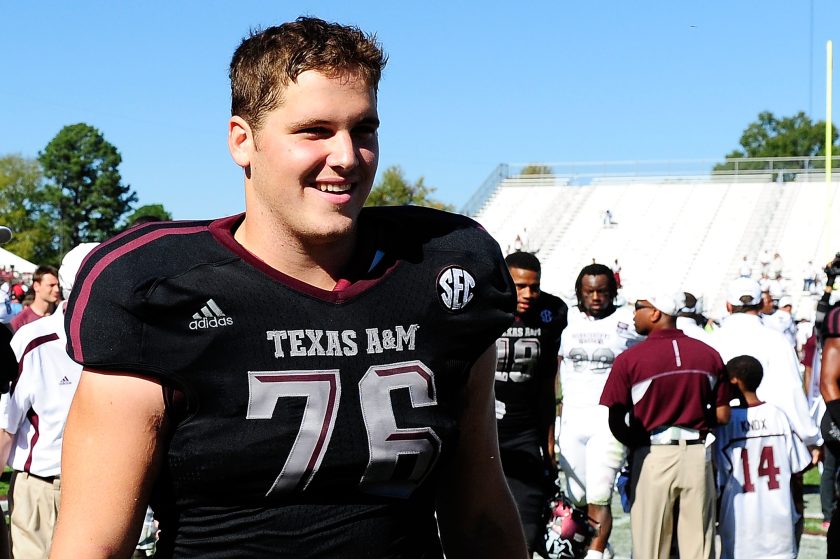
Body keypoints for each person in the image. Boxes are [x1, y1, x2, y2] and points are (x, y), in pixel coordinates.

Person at [51, 17, 527, 559]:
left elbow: (482, 513)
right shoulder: (158, 290)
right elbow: (91, 545)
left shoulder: (444, 268)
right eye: (315, 131)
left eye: (363, 129)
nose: (347, 156)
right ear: (242, 140)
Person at [600, 290, 731, 559]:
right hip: (697, 454)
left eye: (639, 307)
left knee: (651, 547)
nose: (634, 314)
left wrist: (636, 444)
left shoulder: (630, 358)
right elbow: (722, 415)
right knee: (699, 549)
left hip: (654, 454)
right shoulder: (708, 354)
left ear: (656, 312)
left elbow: (615, 418)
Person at [0, 244, 97, 559]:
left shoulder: (120, 340)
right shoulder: (33, 341)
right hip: (40, 487)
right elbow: (6, 426)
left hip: (96, 488)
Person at [557, 263, 642, 559]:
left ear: (613, 292)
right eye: (589, 291)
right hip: (572, 417)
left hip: (608, 419)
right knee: (576, 495)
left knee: (599, 493)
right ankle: (594, 549)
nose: (595, 297)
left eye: (602, 291)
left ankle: (595, 554)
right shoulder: (565, 318)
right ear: (579, 292)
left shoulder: (628, 322)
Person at [494, 251, 567, 554]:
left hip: (524, 431)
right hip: (481, 430)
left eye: (533, 287)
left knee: (527, 526)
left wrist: (548, 442)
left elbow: (547, 382)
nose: (527, 294)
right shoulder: (481, 305)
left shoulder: (552, 312)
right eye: (519, 286)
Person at [716, 355, 811, 559]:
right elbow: (798, 468)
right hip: (779, 523)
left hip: (740, 523)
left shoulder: (727, 423)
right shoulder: (778, 415)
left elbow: (718, 478)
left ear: (735, 381)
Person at [819, 255, 840, 556]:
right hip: (837, 414)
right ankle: (828, 513)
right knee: (832, 466)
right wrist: (829, 282)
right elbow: (828, 380)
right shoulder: (835, 319)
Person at [10, 266, 59, 332]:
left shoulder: (64, 315)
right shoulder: (20, 322)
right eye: (51, 285)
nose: (57, 289)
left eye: (58, 285)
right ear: (36, 286)